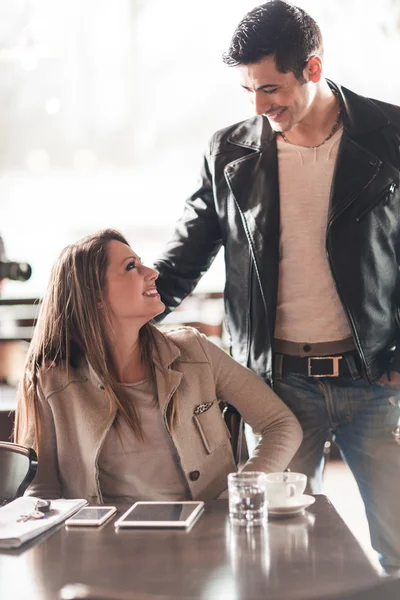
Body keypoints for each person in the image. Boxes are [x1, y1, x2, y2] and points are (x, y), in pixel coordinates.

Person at [153, 1, 400, 570]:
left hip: (377, 382)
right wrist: (119, 317)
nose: (260, 106)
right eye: (248, 91)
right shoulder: (229, 151)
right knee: (278, 555)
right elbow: (187, 253)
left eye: (270, 89)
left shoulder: (390, 135)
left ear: (312, 69)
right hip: (278, 390)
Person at [14, 228, 302, 504]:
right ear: (95, 297)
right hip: (104, 548)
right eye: (131, 267)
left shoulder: (194, 351)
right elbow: (43, 491)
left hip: (205, 540)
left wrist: (241, 492)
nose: (152, 273)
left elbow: (281, 425)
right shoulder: (50, 380)